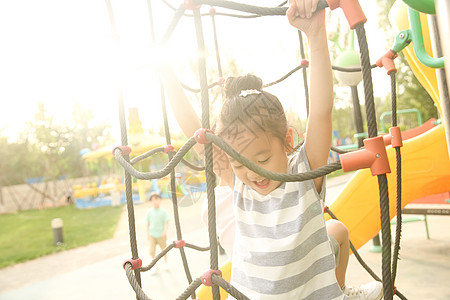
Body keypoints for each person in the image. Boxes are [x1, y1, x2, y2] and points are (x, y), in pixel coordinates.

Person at [159, 1, 383, 298]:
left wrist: (316, 35)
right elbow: (194, 132)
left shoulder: (304, 173)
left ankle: (338, 293)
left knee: (338, 230)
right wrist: (166, 74)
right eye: (240, 163)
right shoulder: (236, 181)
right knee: (336, 231)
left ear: (289, 141)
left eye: (263, 159)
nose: (252, 173)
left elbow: (320, 112)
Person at [146, 192, 170, 272]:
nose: (154, 201)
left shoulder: (163, 211)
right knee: (151, 251)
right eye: (152, 200)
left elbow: (167, 222)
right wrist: (147, 234)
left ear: (160, 200)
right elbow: (147, 224)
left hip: (161, 235)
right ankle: (154, 266)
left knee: (164, 250)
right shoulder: (149, 212)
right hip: (152, 234)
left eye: (156, 199)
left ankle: (166, 263)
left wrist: (164, 232)